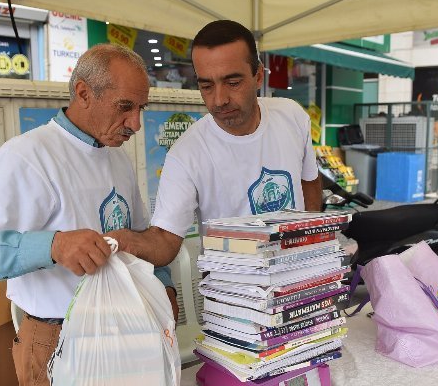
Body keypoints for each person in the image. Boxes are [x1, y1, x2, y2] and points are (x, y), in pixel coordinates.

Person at [0, 44, 177, 386]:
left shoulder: (118, 159)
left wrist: (163, 285)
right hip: (57, 340)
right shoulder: (26, 157)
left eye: (141, 109)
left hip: (126, 331)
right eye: (124, 107)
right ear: (84, 93)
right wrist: (52, 245)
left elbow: (138, 238)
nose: (135, 123)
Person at [110, 19, 322, 266]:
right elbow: (165, 242)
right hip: (234, 294)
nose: (219, 100)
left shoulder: (291, 115)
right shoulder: (187, 154)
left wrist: (313, 235)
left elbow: (309, 180)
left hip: (300, 279)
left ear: (258, 76)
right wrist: (126, 241)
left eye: (233, 83)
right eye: (207, 86)